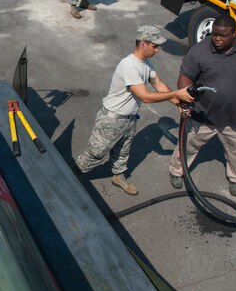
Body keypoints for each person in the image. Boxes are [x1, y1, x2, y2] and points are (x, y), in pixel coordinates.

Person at [73, 26, 194, 195]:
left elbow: (158, 84)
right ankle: (72, 176)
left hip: (129, 119)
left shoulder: (146, 63)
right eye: (155, 45)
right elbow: (145, 96)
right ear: (143, 44)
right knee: (95, 153)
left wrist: (178, 103)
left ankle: (118, 175)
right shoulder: (129, 65)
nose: (158, 50)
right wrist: (177, 93)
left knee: (123, 152)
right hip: (112, 119)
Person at [168, 14, 236, 196]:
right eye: (214, 34)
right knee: (188, 144)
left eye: (222, 36)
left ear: (234, 35)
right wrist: (185, 96)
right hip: (203, 115)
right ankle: (177, 171)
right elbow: (185, 76)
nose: (217, 39)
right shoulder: (199, 51)